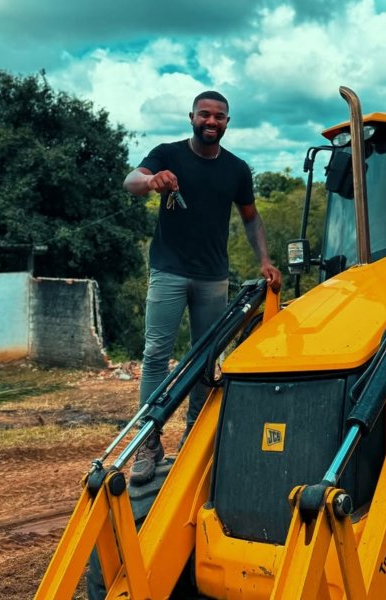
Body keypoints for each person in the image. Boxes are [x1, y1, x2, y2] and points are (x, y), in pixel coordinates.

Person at [123, 91, 281, 485]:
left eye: (220, 117)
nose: (212, 122)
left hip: (214, 277)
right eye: (205, 115)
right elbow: (132, 181)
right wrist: (151, 180)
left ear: (228, 122)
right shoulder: (168, 154)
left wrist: (264, 259)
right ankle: (148, 443)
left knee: (205, 359)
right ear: (191, 117)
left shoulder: (237, 170)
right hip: (169, 272)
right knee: (156, 354)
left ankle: (195, 437)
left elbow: (250, 217)